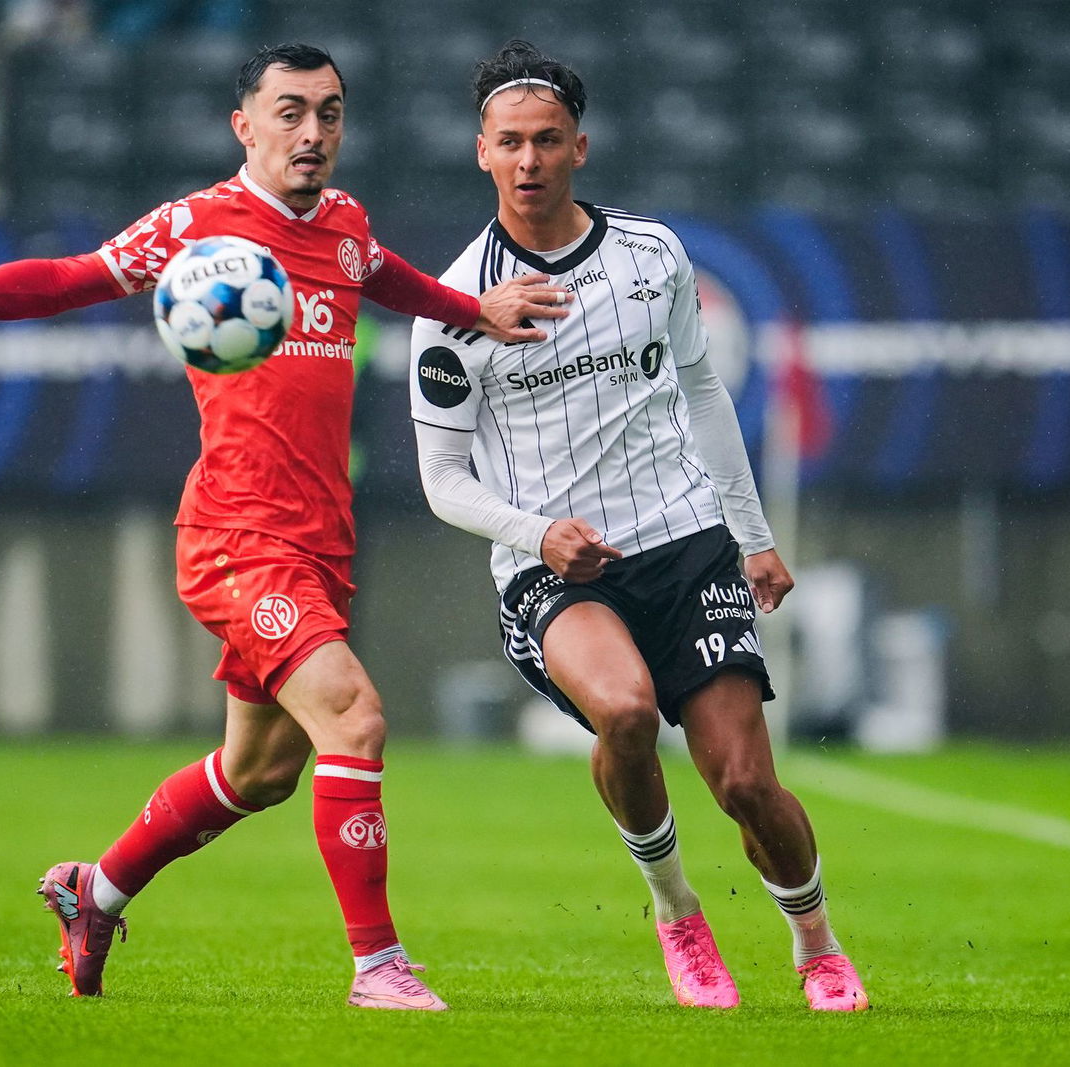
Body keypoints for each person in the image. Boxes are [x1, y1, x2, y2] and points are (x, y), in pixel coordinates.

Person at [0, 42, 567, 1011]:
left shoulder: (346, 223)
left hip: (318, 542)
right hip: (237, 537)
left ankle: (92, 890)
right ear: (245, 124)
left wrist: (471, 310)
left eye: (327, 112)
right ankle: (379, 967)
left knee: (261, 768)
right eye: (289, 112)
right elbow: (72, 277)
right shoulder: (196, 230)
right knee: (353, 714)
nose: (311, 132)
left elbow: (385, 275)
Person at [406, 40, 868, 1012]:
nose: (527, 161)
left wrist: (753, 535)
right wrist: (538, 535)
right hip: (553, 569)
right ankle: (677, 913)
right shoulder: (448, 311)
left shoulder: (651, 255)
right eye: (507, 144)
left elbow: (702, 390)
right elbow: (442, 481)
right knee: (621, 711)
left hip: (685, 539)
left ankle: (815, 940)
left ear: (580, 144)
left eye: (545, 140)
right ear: (479, 152)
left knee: (743, 780)